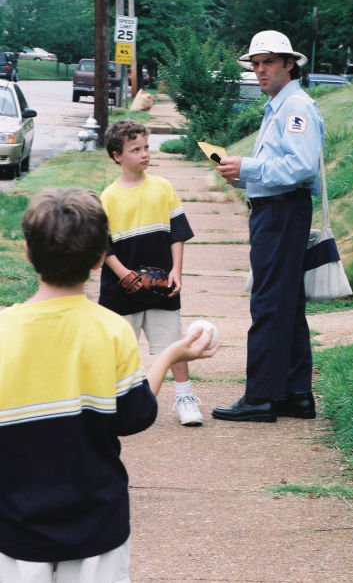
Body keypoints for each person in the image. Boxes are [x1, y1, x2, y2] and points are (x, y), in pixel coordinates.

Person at [0, 187, 218, 581]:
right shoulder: (111, 330)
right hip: (96, 525)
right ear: (101, 258)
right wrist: (168, 355)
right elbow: (133, 416)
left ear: (29, 254)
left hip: (16, 527)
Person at [212, 30, 324, 422]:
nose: (261, 70)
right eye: (256, 64)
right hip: (278, 209)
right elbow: (283, 167)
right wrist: (241, 176)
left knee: (268, 304)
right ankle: (296, 394)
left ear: (289, 64)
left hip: (281, 213)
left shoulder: (294, 107)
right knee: (287, 304)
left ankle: (260, 398)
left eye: (269, 62)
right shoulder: (280, 105)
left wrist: (249, 167)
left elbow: (301, 167)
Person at [99, 120, 203, 426]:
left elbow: (177, 234)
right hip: (122, 289)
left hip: (162, 286)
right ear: (117, 155)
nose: (144, 154)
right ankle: (110, 403)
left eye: (146, 147)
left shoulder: (163, 188)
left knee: (173, 345)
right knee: (116, 350)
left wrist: (177, 273)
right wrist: (123, 274)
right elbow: (103, 246)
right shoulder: (108, 197)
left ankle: (184, 397)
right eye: (136, 149)